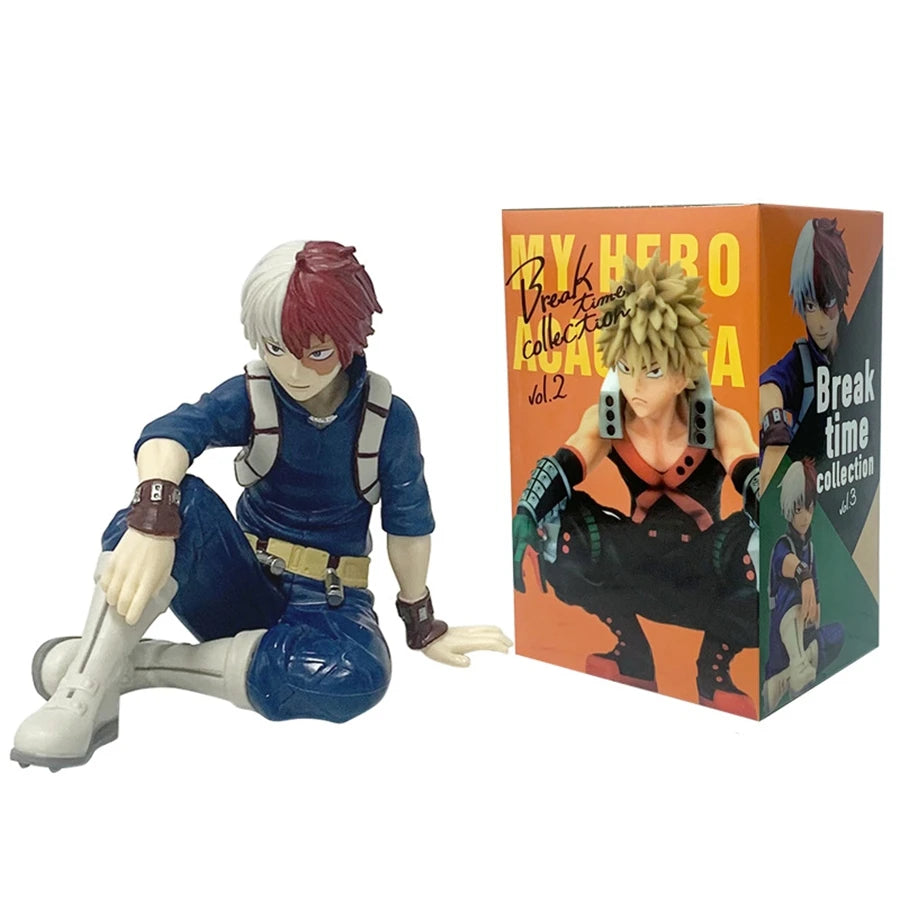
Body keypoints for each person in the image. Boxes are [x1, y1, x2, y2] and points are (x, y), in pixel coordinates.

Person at [12, 240, 511, 770]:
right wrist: (152, 518)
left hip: (329, 602)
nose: (294, 371)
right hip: (239, 579)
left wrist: (421, 623)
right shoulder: (255, 395)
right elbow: (172, 432)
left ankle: (127, 664)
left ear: (350, 340)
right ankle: (83, 694)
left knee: (356, 677)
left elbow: (408, 525)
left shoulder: (388, 419)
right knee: (169, 507)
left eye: (316, 353)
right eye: (276, 348)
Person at [512, 251, 760, 717]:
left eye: (652, 370)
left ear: (683, 372)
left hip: (705, 569)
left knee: (759, 548)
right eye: (624, 368)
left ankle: (714, 670)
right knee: (556, 525)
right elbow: (565, 464)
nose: (635, 386)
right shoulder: (609, 419)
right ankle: (632, 652)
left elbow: (753, 480)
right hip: (635, 562)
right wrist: (528, 511)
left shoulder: (721, 423)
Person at [759, 218, 852, 491]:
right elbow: (769, 387)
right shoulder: (801, 362)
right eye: (810, 306)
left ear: (840, 295)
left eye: (828, 303)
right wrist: (775, 430)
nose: (819, 323)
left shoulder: (859, 340)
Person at [762, 458, 844, 713]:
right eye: (799, 509)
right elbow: (786, 562)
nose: (805, 516)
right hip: (782, 639)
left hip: (805, 633)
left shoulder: (811, 549)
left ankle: (790, 674)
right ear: (789, 509)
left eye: (809, 508)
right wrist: (803, 576)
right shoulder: (782, 545)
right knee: (791, 591)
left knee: (837, 633)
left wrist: (814, 614)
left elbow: (815, 593)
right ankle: (795, 665)